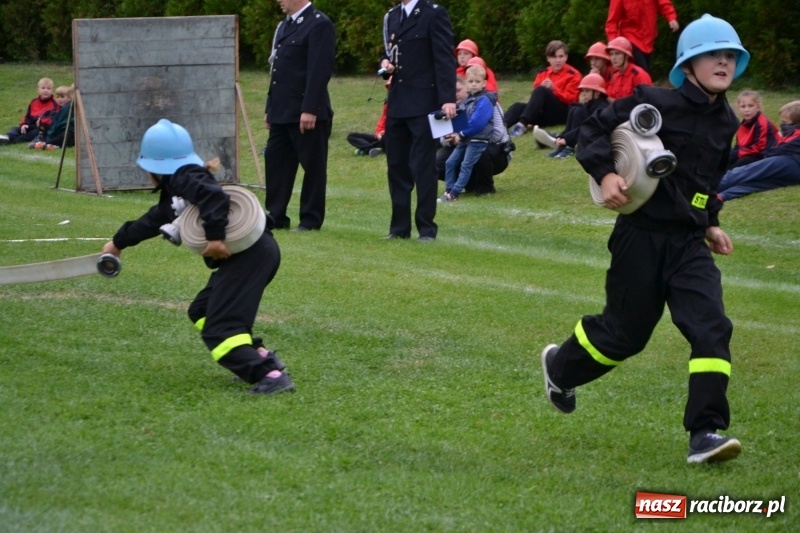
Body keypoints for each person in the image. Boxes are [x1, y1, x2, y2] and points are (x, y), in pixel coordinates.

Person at [540, 14, 749, 464]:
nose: (724, 62)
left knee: (711, 327)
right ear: (688, 65)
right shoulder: (653, 101)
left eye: (731, 55)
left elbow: (705, 182)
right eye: (713, 54)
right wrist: (606, 172)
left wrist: (710, 221)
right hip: (640, 236)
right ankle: (560, 368)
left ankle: (705, 432)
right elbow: (590, 129)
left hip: (689, 244)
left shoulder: (727, 122)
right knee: (624, 335)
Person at [101, 119, 294, 395]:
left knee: (219, 329)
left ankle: (271, 376)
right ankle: (258, 356)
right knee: (201, 310)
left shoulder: (186, 175)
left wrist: (215, 238)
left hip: (250, 255)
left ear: (155, 165)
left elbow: (214, 196)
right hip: (252, 254)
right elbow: (153, 220)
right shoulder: (176, 190)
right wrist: (118, 242)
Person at [379, 0, 456, 242]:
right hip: (398, 102)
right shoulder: (392, 16)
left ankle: (426, 228)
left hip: (425, 102)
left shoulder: (433, 14)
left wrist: (447, 99)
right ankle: (399, 228)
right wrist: (384, 63)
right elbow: (389, 50)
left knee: (423, 166)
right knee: (397, 167)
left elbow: (444, 58)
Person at [264, 0, 335, 232]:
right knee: (276, 163)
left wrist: (310, 108)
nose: (279, 1)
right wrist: (270, 108)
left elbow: (319, 70)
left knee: (313, 167)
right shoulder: (284, 26)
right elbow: (276, 71)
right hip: (281, 110)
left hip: (306, 111)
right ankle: (276, 215)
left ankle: (310, 219)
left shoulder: (318, 24)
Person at [436, 76, 512, 196]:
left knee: (480, 149)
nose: (454, 95)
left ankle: (485, 188)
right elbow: (442, 139)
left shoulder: (486, 102)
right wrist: (451, 140)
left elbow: (499, 135)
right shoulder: (449, 108)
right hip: (462, 146)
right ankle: (468, 184)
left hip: (497, 151)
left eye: (457, 90)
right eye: (450, 92)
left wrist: (465, 137)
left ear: (467, 87)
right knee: (438, 163)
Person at [718, 100, 800, 201]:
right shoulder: (793, 134)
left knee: (745, 172)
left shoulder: (797, 135)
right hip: (794, 171)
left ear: (797, 124)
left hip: (793, 162)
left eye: (785, 122)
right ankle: (722, 196)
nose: (782, 125)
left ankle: (709, 187)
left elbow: (779, 150)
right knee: (762, 183)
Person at [440, 66, 496, 201]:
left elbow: (477, 122)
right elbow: (459, 116)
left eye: (477, 81)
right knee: (450, 162)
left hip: (477, 140)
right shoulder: (468, 100)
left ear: (483, 83)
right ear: (467, 83)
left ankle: (454, 194)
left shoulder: (485, 100)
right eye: (471, 81)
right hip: (465, 139)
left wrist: (461, 134)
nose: (474, 84)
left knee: (466, 165)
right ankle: (449, 189)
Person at [506, 40, 582, 138]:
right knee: (517, 107)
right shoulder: (542, 73)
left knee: (541, 90)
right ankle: (498, 128)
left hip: (562, 112)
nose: (558, 60)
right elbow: (535, 98)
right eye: (554, 57)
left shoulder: (574, 75)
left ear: (566, 57)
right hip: (544, 114)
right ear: (548, 58)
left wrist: (554, 89)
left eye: (561, 56)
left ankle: (522, 125)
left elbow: (572, 99)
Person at [537, 72, 610, 159]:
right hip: (589, 138)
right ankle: (564, 146)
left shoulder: (601, 108)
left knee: (579, 111)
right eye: (583, 91)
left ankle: (570, 147)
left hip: (599, 140)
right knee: (574, 108)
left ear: (597, 92)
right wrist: (562, 136)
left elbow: (589, 127)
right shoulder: (591, 104)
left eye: (587, 91)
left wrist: (567, 139)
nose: (584, 94)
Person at [605, 0, 679, 72]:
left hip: (648, 40)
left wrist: (671, 17)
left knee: (645, 72)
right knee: (642, 71)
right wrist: (613, 42)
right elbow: (612, 21)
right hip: (630, 39)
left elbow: (664, 3)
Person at [728, 89, 779, 169]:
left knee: (741, 162)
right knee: (726, 155)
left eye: (750, 106)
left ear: (758, 107)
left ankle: (728, 176)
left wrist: (739, 153)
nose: (746, 110)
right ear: (739, 108)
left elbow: (760, 147)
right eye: (743, 106)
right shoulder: (743, 123)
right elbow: (739, 144)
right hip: (750, 152)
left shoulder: (762, 122)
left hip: (766, 155)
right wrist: (734, 153)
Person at [0, 77, 56, 146]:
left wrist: (41, 123)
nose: (46, 91)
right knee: (15, 129)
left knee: (32, 134)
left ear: (52, 91)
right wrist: (24, 124)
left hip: (41, 128)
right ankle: (7, 137)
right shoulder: (34, 102)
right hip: (30, 125)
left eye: (48, 88)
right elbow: (28, 116)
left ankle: (10, 142)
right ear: (38, 90)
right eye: (43, 88)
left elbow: (52, 120)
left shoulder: (54, 104)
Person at [605, 37, 653, 102]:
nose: (613, 58)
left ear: (627, 55)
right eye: (611, 54)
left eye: (617, 53)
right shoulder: (615, 76)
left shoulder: (638, 74)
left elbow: (646, 100)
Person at [32, 85, 75, 150]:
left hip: (69, 130)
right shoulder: (62, 107)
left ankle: (48, 143)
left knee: (68, 134)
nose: (60, 99)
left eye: (62, 97)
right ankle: (47, 143)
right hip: (60, 130)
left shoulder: (70, 106)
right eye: (58, 97)